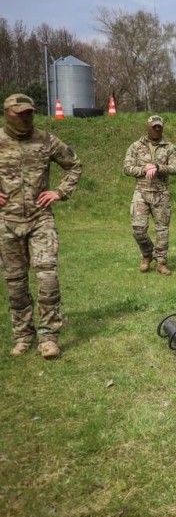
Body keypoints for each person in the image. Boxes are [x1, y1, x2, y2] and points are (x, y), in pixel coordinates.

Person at [0, 93, 83, 359]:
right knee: (15, 283)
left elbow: (74, 165)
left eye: (30, 113)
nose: (26, 117)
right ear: (7, 113)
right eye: (20, 113)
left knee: (48, 278)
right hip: (7, 222)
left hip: (40, 220)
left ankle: (48, 337)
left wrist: (59, 192)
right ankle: (23, 335)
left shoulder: (46, 140)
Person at [123, 115, 176, 275]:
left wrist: (158, 167)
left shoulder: (170, 147)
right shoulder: (135, 146)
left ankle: (161, 262)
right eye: (154, 126)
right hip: (141, 192)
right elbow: (127, 168)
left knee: (162, 230)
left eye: (159, 127)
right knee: (138, 229)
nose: (157, 129)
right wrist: (144, 169)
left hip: (161, 193)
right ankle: (147, 254)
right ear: (147, 127)